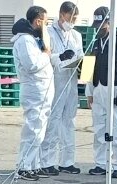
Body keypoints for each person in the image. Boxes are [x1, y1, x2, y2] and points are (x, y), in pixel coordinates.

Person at [86, 5, 117, 178]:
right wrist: (89, 91)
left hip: (114, 89)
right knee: (99, 128)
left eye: (102, 25)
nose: (98, 29)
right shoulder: (96, 43)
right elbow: (89, 69)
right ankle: (101, 163)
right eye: (97, 26)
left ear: (109, 22)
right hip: (98, 89)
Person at [11, 5, 52, 180]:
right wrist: (47, 54)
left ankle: (34, 164)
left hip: (42, 90)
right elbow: (32, 65)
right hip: (34, 90)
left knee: (40, 130)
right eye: (45, 22)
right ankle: (24, 166)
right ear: (38, 21)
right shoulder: (25, 40)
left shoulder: (34, 39)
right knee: (33, 130)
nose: (46, 25)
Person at [43, 1, 82, 175]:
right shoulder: (48, 33)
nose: (72, 21)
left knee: (69, 120)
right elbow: (47, 57)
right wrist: (61, 56)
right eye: (70, 17)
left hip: (71, 81)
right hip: (56, 81)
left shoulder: (76, 35)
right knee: (54, 119)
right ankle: (47, 160)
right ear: (61, 15)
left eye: (75, 18)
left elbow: (79, 54)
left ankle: (67, 161)